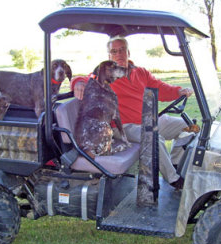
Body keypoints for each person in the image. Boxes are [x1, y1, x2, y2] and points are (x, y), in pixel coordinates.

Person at [71, 36, 197, 190]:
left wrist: (179, 91)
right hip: (124, 127)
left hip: (149, 120)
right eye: (114, 51)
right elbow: (85, 78)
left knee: (190, 127)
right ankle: (173, 179)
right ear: (109, 56)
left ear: (128, 52)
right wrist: (78, 82)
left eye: (122, 49)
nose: (119, 54)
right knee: (155, 138)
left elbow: (160, 88)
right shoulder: (105, 74)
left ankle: (175, 161)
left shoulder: (141, 72)